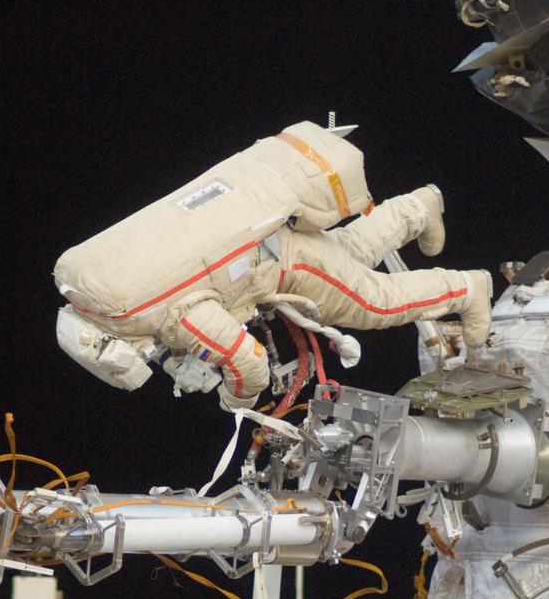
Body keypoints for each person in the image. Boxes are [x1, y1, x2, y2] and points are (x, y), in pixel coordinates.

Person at [53, 120, 492, 410]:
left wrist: (235, 401)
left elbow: (249, 362)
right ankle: (419, 206)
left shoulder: (165, 318)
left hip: (282, 260)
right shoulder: (87, 278)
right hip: (263, 224)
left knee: (372, 302)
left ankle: (468, 289)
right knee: (348, 254)